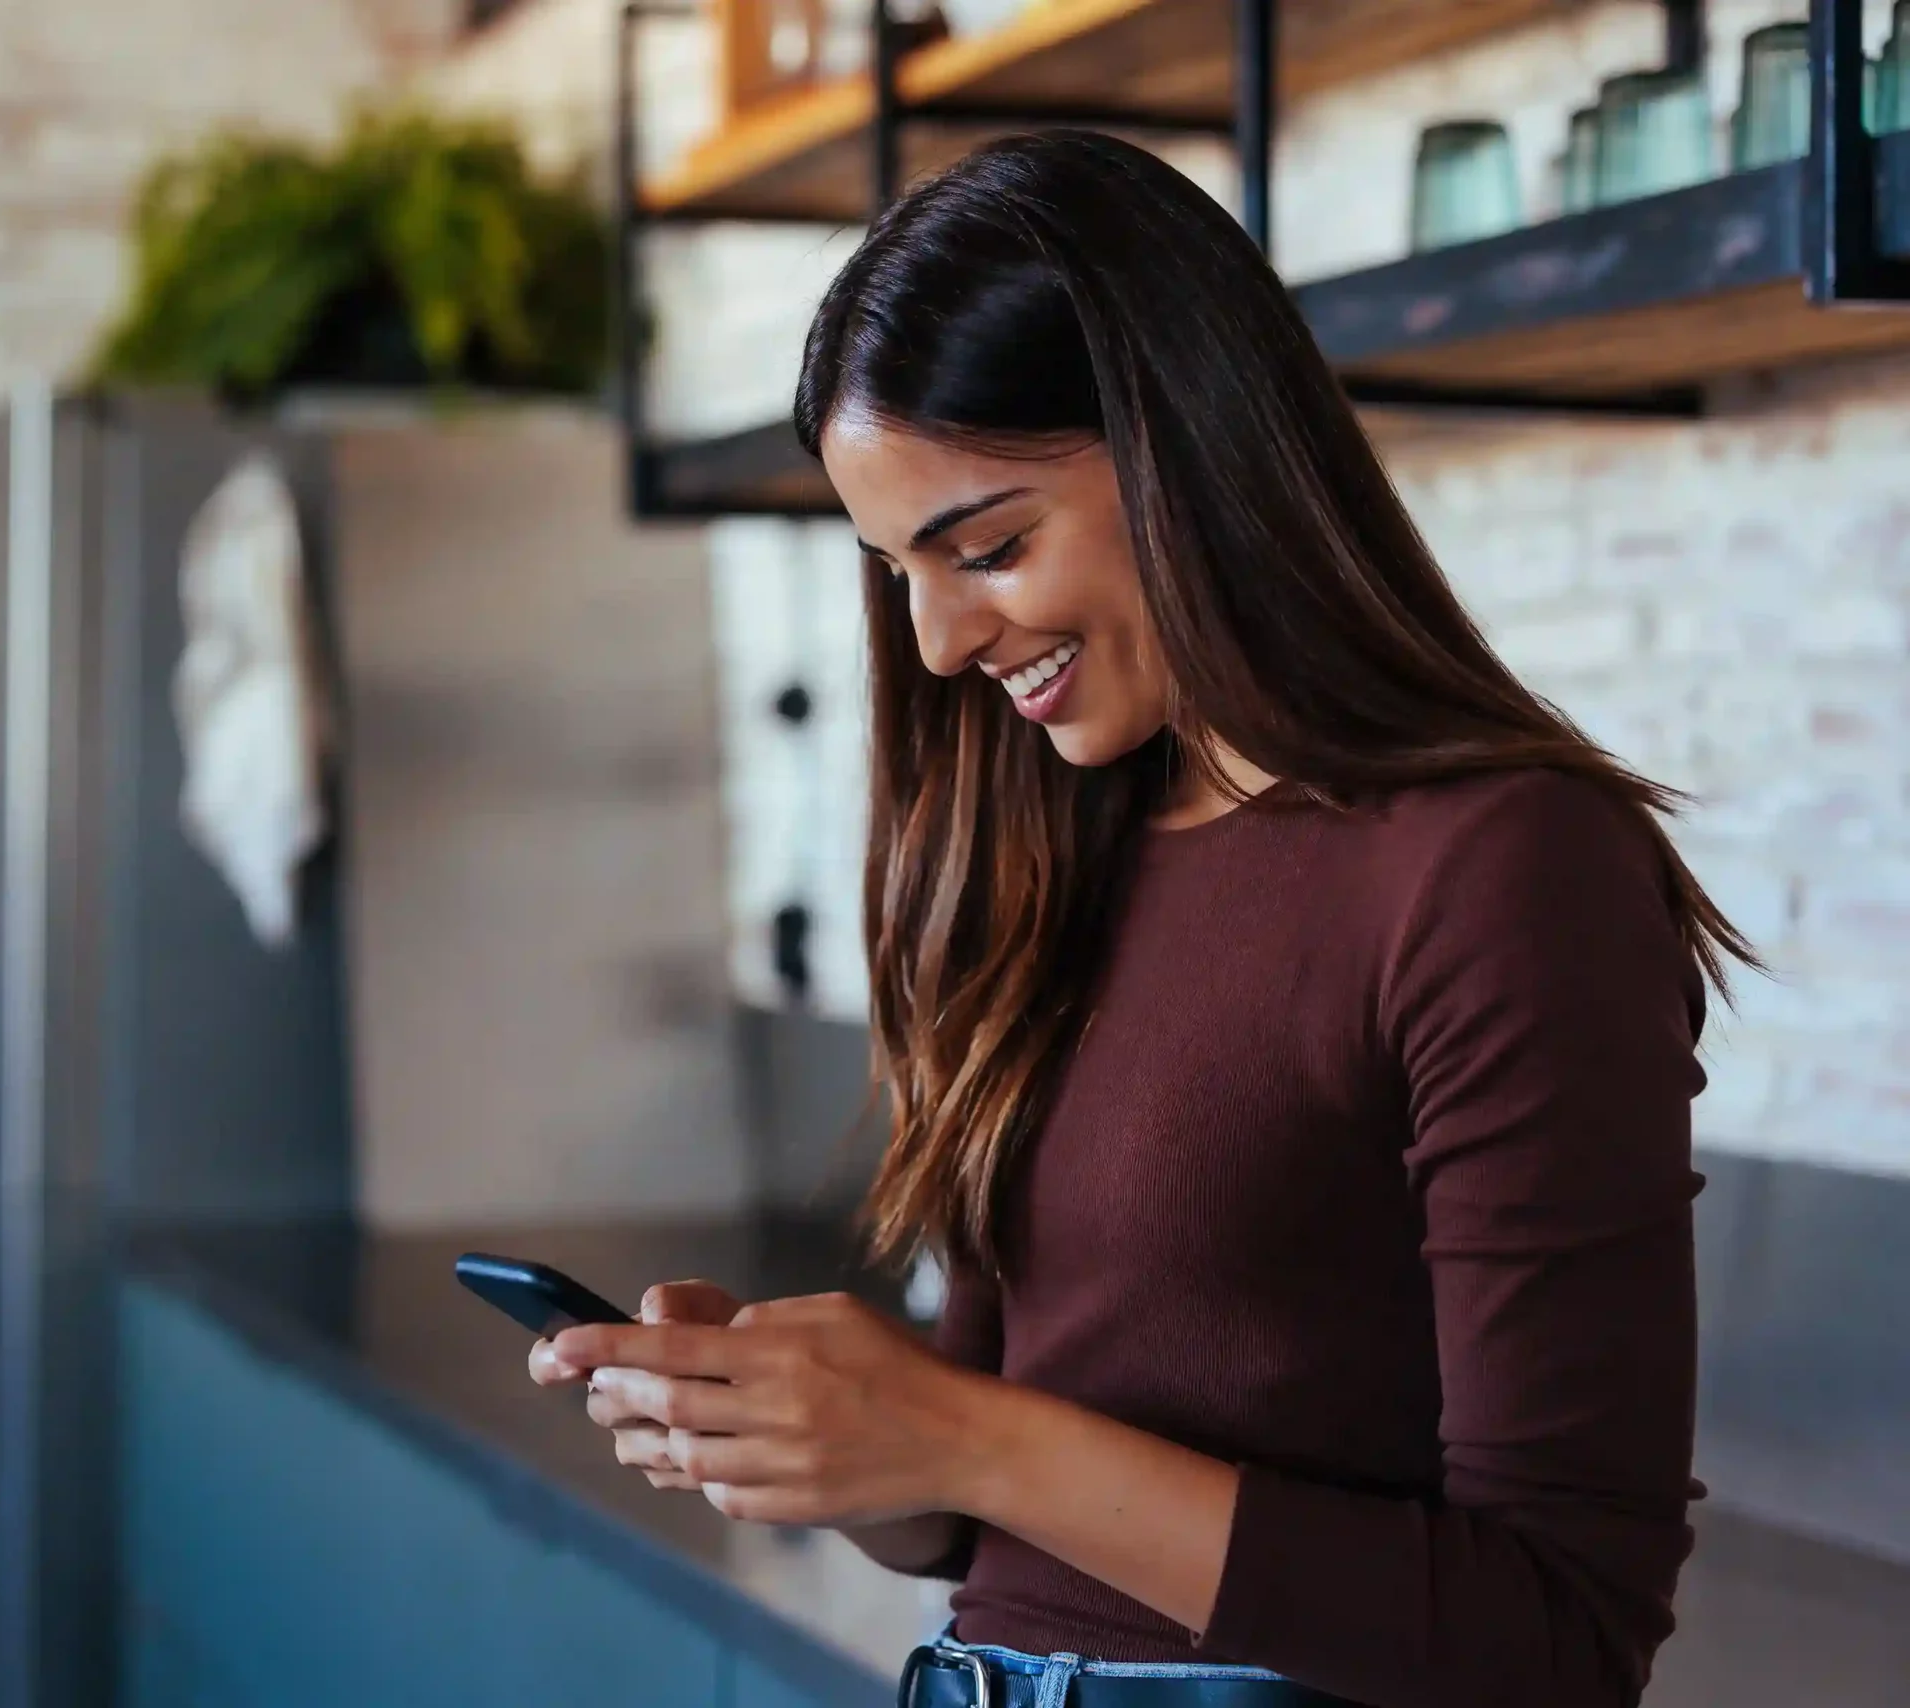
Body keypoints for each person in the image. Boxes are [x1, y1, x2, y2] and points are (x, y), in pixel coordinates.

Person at [528, 132, 1749, 1708]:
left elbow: (1559, 1641)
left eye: (989, 548)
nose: (941, 639)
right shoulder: (1054, 856)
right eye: (898, 571)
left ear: (1193, 450)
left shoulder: (1503, 869)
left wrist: (961, 1433)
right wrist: (811, 1426)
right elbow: (991, 1515)